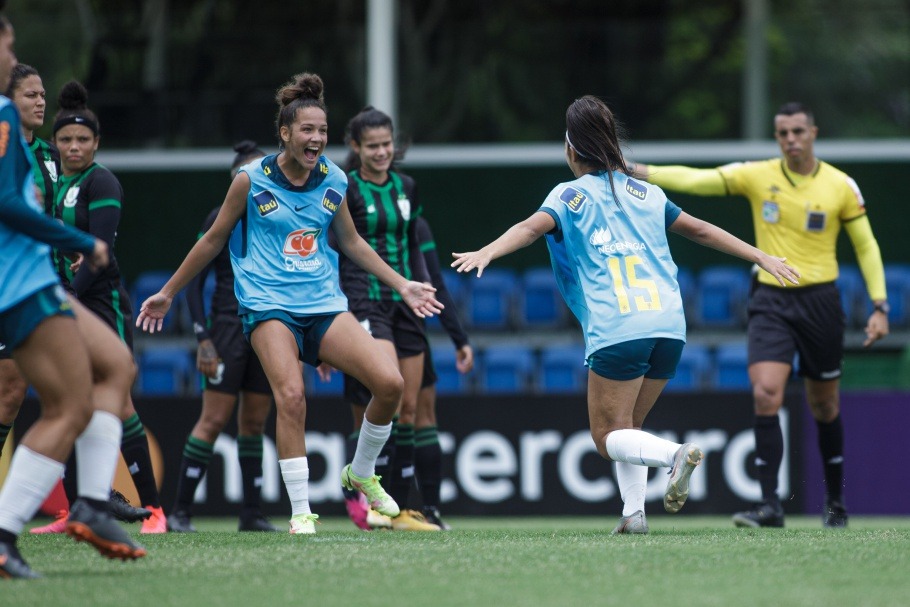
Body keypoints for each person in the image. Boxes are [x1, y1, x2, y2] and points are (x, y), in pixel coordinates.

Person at [451, 95, 800, 534]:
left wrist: (488, 251)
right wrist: (761, 255)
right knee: (629, 426)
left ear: (571, 150)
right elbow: (703, 230)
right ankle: (634, 515)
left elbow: (528, 228)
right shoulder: (647, 193)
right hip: (670, 326)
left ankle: (674, 455)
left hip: (619, 327)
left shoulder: (569, 195)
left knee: (605, 438)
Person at [136, 73, 442, 535]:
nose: (316, 138)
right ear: (285, 133)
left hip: (321, 302)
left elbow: (352, 244)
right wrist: (170, 291)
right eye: (306, 130)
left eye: (321, 130)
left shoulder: (335, 179)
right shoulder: (250, 180)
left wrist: (402, 284)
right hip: (266, 304)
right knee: (292, 396)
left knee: (391, 383)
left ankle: (360, 473)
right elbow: (213, 240)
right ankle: (302, 513)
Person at [630, 102, 889, 528]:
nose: (790, 140)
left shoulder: (841, 186)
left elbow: (867, 246)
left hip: (821, 301)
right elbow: (701, 180)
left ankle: (836, 503)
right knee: (766, 393)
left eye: (798, 132)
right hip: (771, 299)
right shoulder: (758, 175)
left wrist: (879, 305)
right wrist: (641, 171)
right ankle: (771, 506)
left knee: (824, 405)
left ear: (813, 133)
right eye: (783, 133)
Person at [0, 14, 146, 579]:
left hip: (29, 277)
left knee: (115, 365)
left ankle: (88, 502)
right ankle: (11, 529)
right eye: (7, 44)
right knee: (68, 405)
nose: (12, 54)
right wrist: (80, 239)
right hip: (21, 280)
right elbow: (8, 206)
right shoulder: (5, 119)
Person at [26, 80, 168, 535]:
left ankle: (156, 510)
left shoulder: (101, 180)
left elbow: (98, 249)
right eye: (65, 138)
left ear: (96, 143)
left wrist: (66, 293)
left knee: (120, 401)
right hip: (63, 302)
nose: (73, 146)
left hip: (101, 303)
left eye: (82, 139)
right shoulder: (49, 182)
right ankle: (74, 511)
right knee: (65, 398)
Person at [336, 106, 441, 532]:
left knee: (412, 408)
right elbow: (340, 248)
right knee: (389, 394)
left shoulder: (408, 187)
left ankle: (399, 511)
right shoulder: (345, 188)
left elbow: (413, 244)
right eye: (373, 145)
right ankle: (369, 503)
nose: (382, 152)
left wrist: (422, 284)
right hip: (365, 302)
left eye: (387, 144)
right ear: (356, 147)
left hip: (405, 303)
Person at [168, 140, 279, 533]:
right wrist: (203, 338)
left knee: (254, 422)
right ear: (235, 179)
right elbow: (195, 285)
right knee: (212, 420)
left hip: (268, 327)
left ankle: (251, 514)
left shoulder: (276, 216)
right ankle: (180, 512)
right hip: (227, 330)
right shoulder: (221, 217)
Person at [340, 214, 473, 531]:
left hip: (410, 319)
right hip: (363, 318)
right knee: (375, 412)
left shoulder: (412, 217)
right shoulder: (345, 214)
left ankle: (422, 510)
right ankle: (364, 501)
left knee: (416, 411)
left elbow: (433, 279)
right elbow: (332, 270)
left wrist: (458, 336)